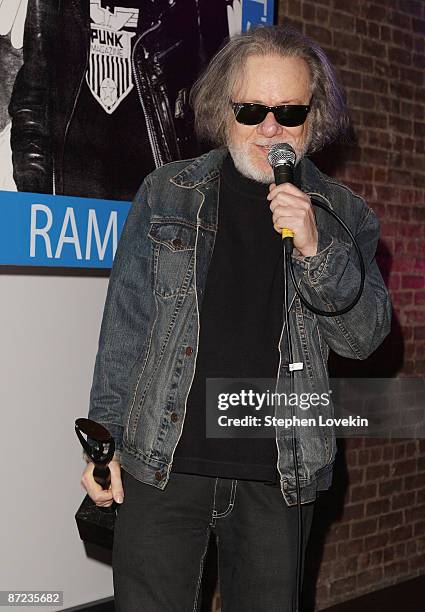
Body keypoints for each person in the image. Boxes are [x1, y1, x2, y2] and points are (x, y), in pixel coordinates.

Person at [81, 25, 391, 612]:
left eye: (289, 111)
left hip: (280, 470)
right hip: (162, 462)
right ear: (223, 109)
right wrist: (103, 450)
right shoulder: (167, 192)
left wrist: (315, 248)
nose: (270, 128)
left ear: (313, 117)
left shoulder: (344, 214)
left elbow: (364, 338)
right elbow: (124, 330)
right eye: (251, 109)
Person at [7, 0, 231, 201]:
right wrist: (34, 193)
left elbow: (204, 113)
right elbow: (32, 103)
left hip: (151, 204)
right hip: (71, 203)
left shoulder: (184, 6)